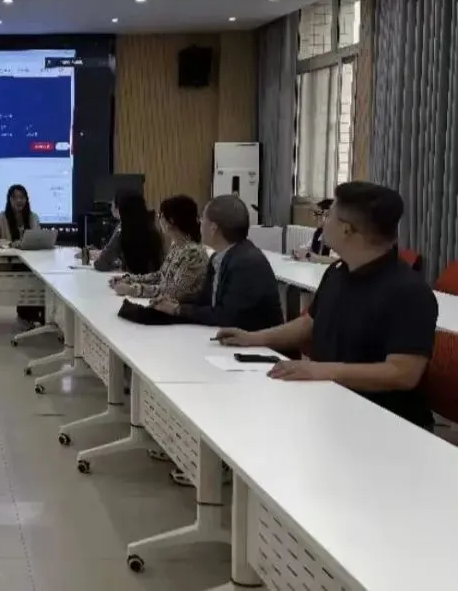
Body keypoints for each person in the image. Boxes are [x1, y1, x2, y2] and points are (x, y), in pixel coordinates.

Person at [217, 181, 438, 430]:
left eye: (329, 215)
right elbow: (309, 323)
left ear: (346, 229)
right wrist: (252, 338)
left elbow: (403, 373)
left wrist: (320, 371)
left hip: (385, 422)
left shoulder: (409, 292)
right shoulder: (338, 271)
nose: (323, 223)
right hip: (329, 403)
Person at [153, 194, 284, 331]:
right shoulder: (219, 257)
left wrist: (178, 310)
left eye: (202, 219)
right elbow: (206, 301)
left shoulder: (246, 264)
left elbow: (226, 316)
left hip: (259, 342)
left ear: (213, 228)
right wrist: (175, 303)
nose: (199, 223)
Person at [110, 195, 209, 302]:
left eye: (160, 215)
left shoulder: (193, 253)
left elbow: (173, 292)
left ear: (171, 221)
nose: (158, 219)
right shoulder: (177, 245)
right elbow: (161, 276)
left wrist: (133, 290)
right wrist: (129, 279)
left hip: (181, 309)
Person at [0, 184, 44, 325]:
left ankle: (37, 314)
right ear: (10, 200)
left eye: (22, 197)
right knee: (27, 275)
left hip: (33, 262)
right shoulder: (1, 218)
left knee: (38, 277)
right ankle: (29, 314)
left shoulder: (33, 217)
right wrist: (10, 244)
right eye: (15, 198)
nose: (19, 201)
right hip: (10, 263)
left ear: (27, 199)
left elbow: (38, 237)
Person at [92, 190, 164, 274]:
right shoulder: (150, 225)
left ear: (119, 208)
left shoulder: (123, 229)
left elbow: (100, 264)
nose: (111, 206)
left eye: (113, 203)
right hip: (151, 278)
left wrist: (111, 262)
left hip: (135, 279)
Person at [293, 198, 338, 264]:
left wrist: (309, 255)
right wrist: (298, 251)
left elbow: (334, 260)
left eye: (318, 214)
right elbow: (307, 247)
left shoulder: (337, 235)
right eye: (315, 214)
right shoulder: (318, 233)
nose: (314, 218)